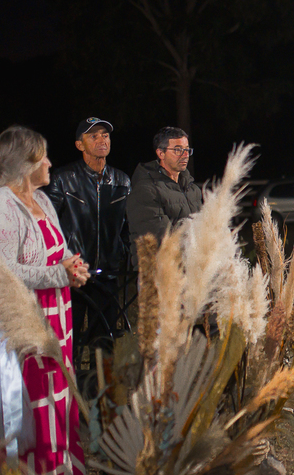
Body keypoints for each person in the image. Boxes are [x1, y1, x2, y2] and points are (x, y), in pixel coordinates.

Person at [0, 126, 90, 475]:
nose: (50, 163)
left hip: (57, 314)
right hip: (24, 318)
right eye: (42, 157)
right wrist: (58, 274)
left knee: (58, 393)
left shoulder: (41, 199)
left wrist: (73, 267)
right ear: (24, 164)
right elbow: (2, 269)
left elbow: (59, 249)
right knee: (32, 398)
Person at [44, 117, 131, 349]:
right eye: (94, 136)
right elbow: (48, 224)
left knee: (104, 345)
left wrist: (121, 251)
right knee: (68, 343)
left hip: (107, 276)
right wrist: (62, 260)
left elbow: (128, 226)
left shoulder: (122, 180)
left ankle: (99, 375)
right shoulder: (63, 179)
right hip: (74, 274)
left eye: (105, 135)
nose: (102, 140)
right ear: (79, 144)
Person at [126, 126, 203, 257]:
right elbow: (161, 239)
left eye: (187, 150)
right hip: (161, 265)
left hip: (193, 263)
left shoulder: (193, 189)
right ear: (161, 153)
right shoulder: (146, 190)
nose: (185, 155)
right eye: (178, 150)